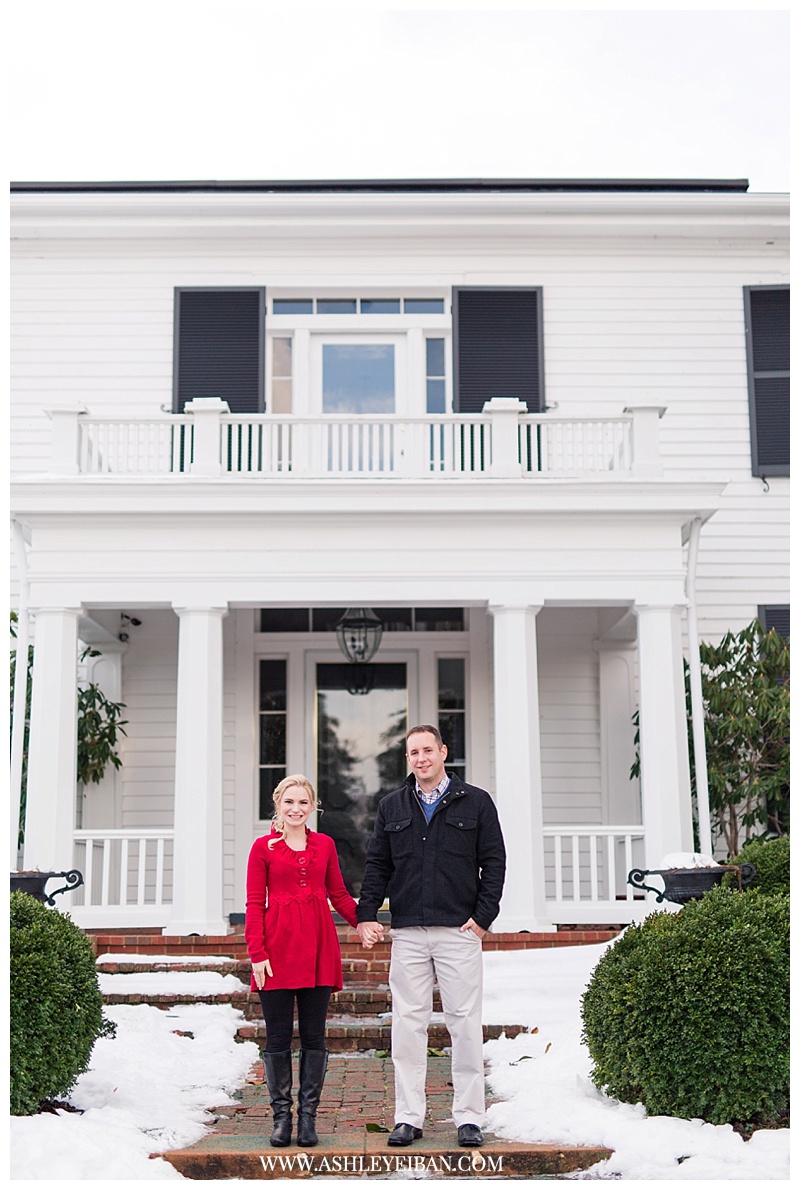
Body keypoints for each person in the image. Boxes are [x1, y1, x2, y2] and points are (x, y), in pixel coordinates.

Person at [356, 725, 506, 1149]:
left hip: (459, 930)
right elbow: (377, 866)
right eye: (413, 753)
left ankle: (470, 1118)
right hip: (408, 932)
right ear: (408, 759)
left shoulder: (475, 802)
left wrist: (483, 917)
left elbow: (494, 862)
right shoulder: (392, 806)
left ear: (443, 752)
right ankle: (408, 1118)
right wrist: (367, 914)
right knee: (407, 1025)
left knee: (463, 1024)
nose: (420, 758)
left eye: (427, 750)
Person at [245, 774, 358, 1148]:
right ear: (278, 805)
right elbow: (252, 904)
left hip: (317, 948)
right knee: (277, 1037)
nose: (296, 809)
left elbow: (339, 894)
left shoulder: (325, 845)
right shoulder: (262, 848)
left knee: (313, 1036)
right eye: (289, 802)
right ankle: (281, 1118)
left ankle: (307, 1118)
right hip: (275, 951)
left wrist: (365, 922)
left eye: (304, 803)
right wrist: (256, 953)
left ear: (313, 807)